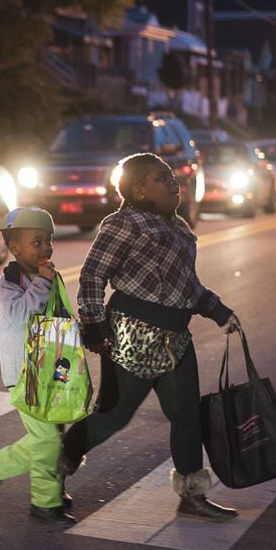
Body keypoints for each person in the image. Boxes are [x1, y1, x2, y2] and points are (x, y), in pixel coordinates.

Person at [59, 152, 242, 522]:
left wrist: (218, 311)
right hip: (132, 334)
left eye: (172, 176)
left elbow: (187, 285)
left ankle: (192, 495)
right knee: (115, 416)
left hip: (175, 336)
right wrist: (93, 326)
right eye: (162, 178)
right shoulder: (123, 223)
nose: (173, 182)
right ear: (140, 190)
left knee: (187, 415)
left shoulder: (178, 226)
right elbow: (93, 275)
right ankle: (53, 469)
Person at [0, 207, 77, 528]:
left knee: (52, 435)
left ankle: (37, 483)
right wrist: (43, 284)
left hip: (52, 369)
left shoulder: (50, 276)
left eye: (49, 241)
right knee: (46, 438)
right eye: (37, 242)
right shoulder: (11, 281)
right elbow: (20, 315)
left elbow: (60, 316)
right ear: (14, 248)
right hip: (24, 373)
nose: (45, 248)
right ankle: (43, 504)